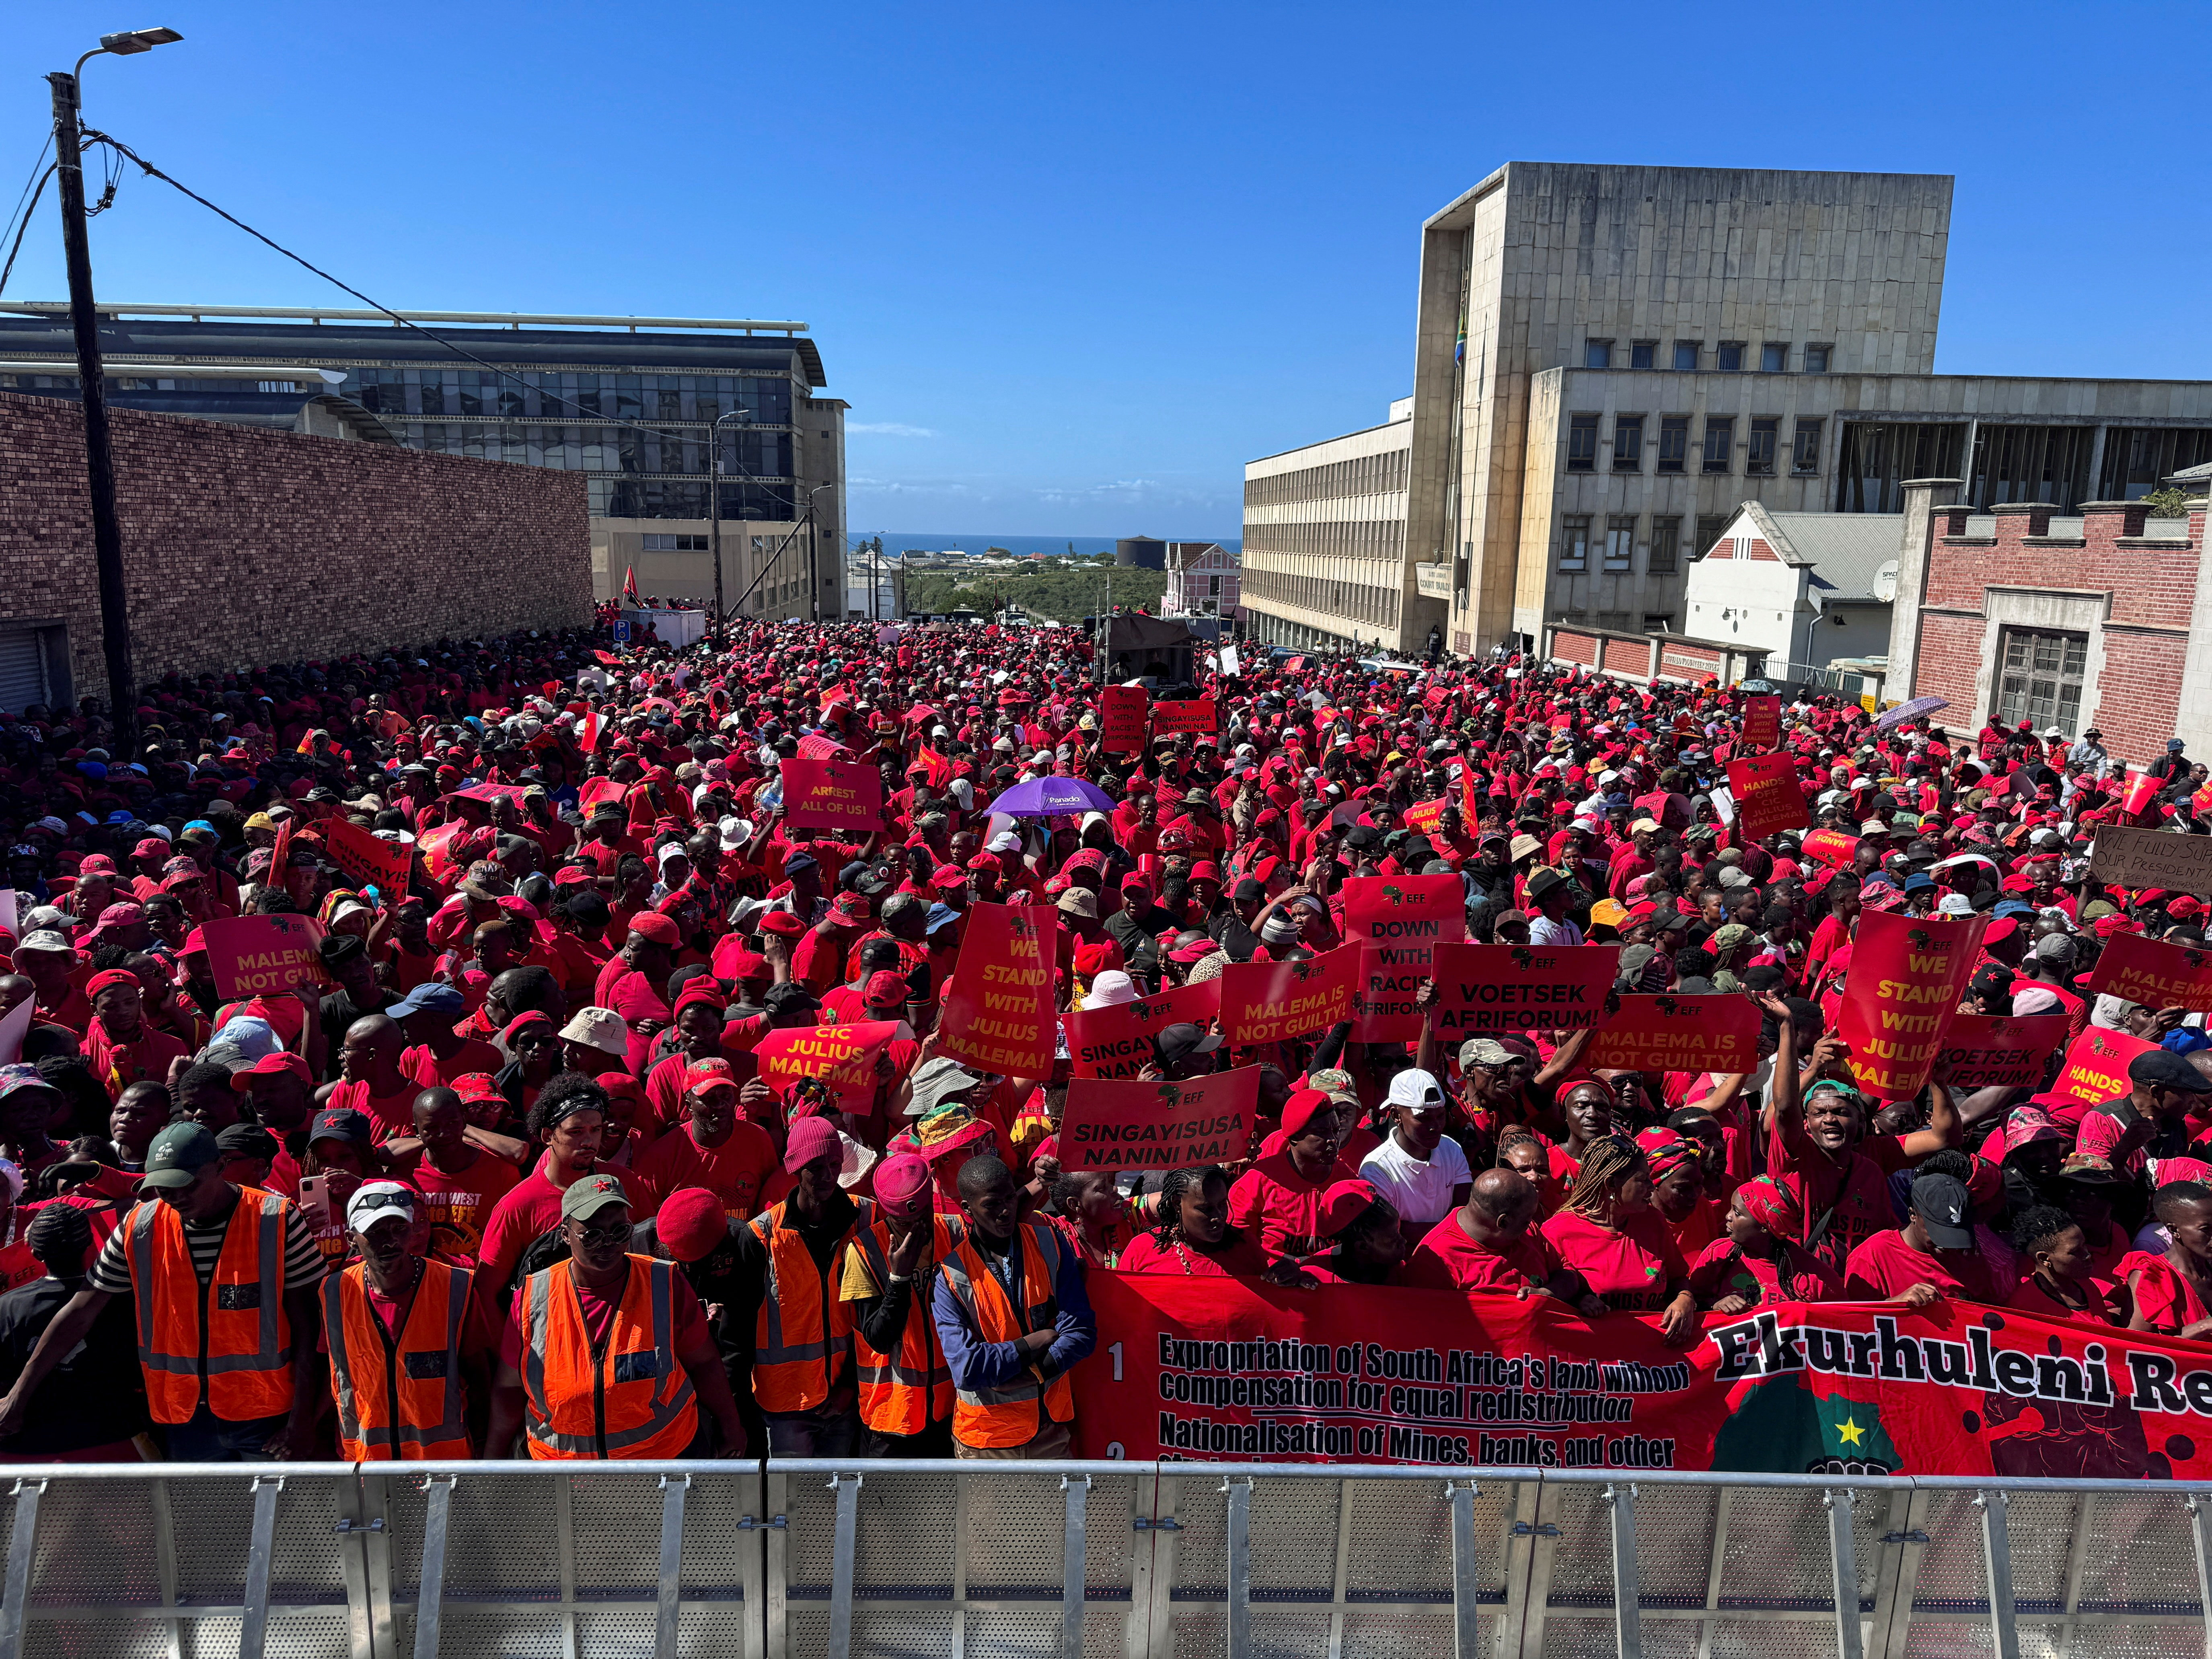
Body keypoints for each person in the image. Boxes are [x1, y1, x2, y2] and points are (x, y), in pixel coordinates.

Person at [0, 1122, 325, 1460]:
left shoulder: (277, 1217)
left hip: (266, 1414)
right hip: (183, 1418)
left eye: (188, 1186)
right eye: (165, 1189)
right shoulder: (140, 1225)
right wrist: (17, 1397)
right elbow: (80, 1312)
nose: (177, 1198)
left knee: (279, 1513)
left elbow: (310, 1329)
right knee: (200, 1514)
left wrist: (303, 1420)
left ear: (220, 1168)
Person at [487, 1172, 748, 1459]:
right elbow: (508, 1388)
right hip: (564, 1473)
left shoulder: (664, 1282)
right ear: (565, 1234)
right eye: (593, 1235)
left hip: (661, 1460)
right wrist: (494, 1459)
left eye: (621, 1231)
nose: (608, 1244)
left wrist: (731, 1427)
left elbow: (705, 1363)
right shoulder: (531, 1298)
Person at [932, 1154, 1096, 1458]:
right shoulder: (951, 1275)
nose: (1006, 1211)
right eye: (992, 1204)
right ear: (968, 1210)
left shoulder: (1051, 1243)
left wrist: (1033, 1373)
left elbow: (1082, 1331)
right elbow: (967, 1368)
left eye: (1010, 1197)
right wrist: (1034, 1341)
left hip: (1050, 1429)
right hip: (986, 1440)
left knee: (1056, 1509)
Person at [319, 1182, 497, 1460]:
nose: (390, 1241)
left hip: (443, 1463)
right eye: (375, 1232)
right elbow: (330, 1378)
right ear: (351, 1238)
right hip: (366, 1464)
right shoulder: (334, 1292)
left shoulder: (455, 1286)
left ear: (413, 1229)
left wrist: (486, 1450)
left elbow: (480, 1378)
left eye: (399, 1228)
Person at [734, 1116, 874, 1455]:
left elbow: (872, 1315)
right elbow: (737, 1332)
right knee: (789, 1504)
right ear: (796, 1167)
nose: (828, 1175)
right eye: (816, 1166)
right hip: (784, 1408)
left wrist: (850, 1387)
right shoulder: (760, 1236)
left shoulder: (866, 1219)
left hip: (844, 1399)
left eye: (835, 1164)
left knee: (835, 1500)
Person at [837, 1152, 963, 1457]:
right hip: (892, 1417)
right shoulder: (863, 1250)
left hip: (952, 1412)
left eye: (922, 1218)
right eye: (903, 1223)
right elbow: (878, 1338)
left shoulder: (956, 1232)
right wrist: (899, 1278)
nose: (915, 1230)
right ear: (888, 1214)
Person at [0, 1203, 148, 1460]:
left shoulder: (6, 1306)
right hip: (115, 1440)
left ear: (34, 1251)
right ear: (90, 1242)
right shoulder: (126, 1299)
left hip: (25, 1449)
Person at [1540, 1135, 1699, 1344]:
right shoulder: (1557, 1232)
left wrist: (1685, 1299)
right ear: (1612, 1184)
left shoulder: (1653, 1221)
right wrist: (1577, 1301)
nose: (1652, 1188)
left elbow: (1678, 1278)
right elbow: (1545, 1305)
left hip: (1656, 1359)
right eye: (1643, 1180)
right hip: (1594, 1363)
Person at [1404, 1169, 1606, 1313]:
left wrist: (1548, 1294)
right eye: (1528, 1220)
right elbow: (1427, 1331)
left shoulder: (1528, 1231)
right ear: (1504, 1222)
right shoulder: (1435, 1260)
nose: (1533, 1224)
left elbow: (1566, 1272)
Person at [1842, 1167, 2009, 1306]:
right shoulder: (1871, 1257)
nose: (1950, 1245)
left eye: (1956, 1233)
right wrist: (1895, 1304)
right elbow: (1853, 1324)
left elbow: (1988, 1305)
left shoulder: (1968, 1252)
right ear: (1913, 1215)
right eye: (1940, 1232)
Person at [1686, 1176, 1842, 1312]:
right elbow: (1689, 1304)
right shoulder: (1717, 1254)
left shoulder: (1816, 1279)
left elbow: (1840, 1327)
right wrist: (1716, 1305)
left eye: (1737, 1213)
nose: (1728, 1216)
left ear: (1765, 1228)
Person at [1357, 1067, 1471, 1228]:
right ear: (1397, 1116)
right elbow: (1389, 1233)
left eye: (1440, 1116)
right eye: (1423, 1118)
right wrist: (1449, 1232)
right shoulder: (1377, 1169)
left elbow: (1464, 1212)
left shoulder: (1451, 1149)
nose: (1435, 1126)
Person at [1119, 1164, 1273, 1277]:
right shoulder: (1143, 1249)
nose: (1218, 1216)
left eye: (1222, 1204)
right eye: (1206, 1209)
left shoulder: (1245, 1246)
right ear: (1177, 1203)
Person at [2006, 1203, 2122, 1326]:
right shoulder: (2025, 1307)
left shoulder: (2087, 1286)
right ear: (2044, 1259)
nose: (2088, 1255)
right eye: (2075, 1252)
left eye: (2084, 1245)